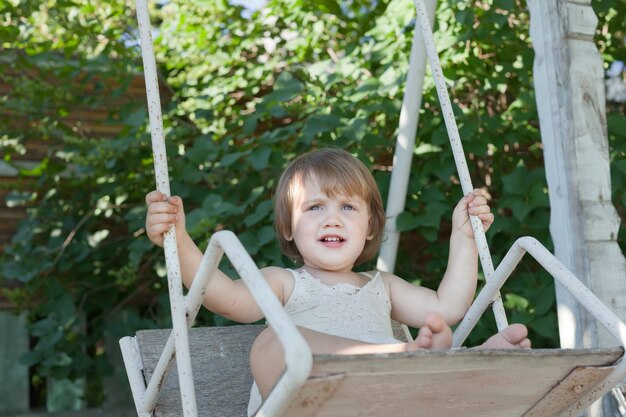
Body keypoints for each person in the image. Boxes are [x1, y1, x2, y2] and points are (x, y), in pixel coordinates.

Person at [145, 147, 531, 415]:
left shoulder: (383, 285)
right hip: (306, 407)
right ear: (289, 229)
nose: (333, 219)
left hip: (378, 403)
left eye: (348, 206)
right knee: (275, 340)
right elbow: (225, 296)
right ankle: (413, 360)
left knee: (416, 371)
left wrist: (464, 237)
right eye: (315, 208)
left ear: (368, 227)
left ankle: (470, 367)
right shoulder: (284, 282)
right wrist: (178, 241)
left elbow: (446, 309)